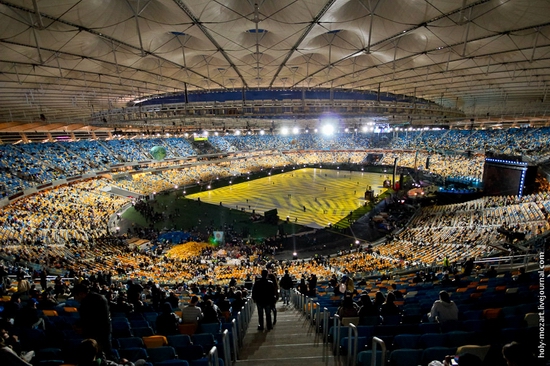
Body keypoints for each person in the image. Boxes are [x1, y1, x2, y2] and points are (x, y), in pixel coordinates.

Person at [72, 283, 113, 360]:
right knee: (106, 352)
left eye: (75, 296)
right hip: (104, 330)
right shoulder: (100, 298)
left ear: (81, 294)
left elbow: (88, 319)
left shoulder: (87, 302)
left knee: (97, 353)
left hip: (95, 331)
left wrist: (80, 327)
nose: (75, 299)